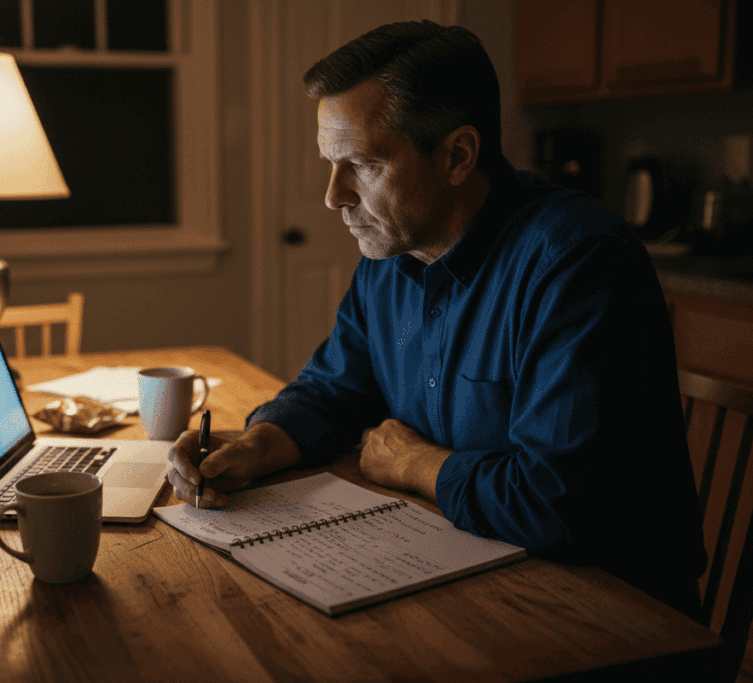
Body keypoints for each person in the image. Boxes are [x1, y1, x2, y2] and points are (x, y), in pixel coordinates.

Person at [167, 20, 707, 619]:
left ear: (457, 156)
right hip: (469, 568)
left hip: (610, 610)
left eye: (363, 164)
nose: (333, 196)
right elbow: (335, 390)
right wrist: (257, 445)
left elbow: (559, 504)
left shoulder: (577, 261)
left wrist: (416, 463)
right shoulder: (392, 253)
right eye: (330, 163)